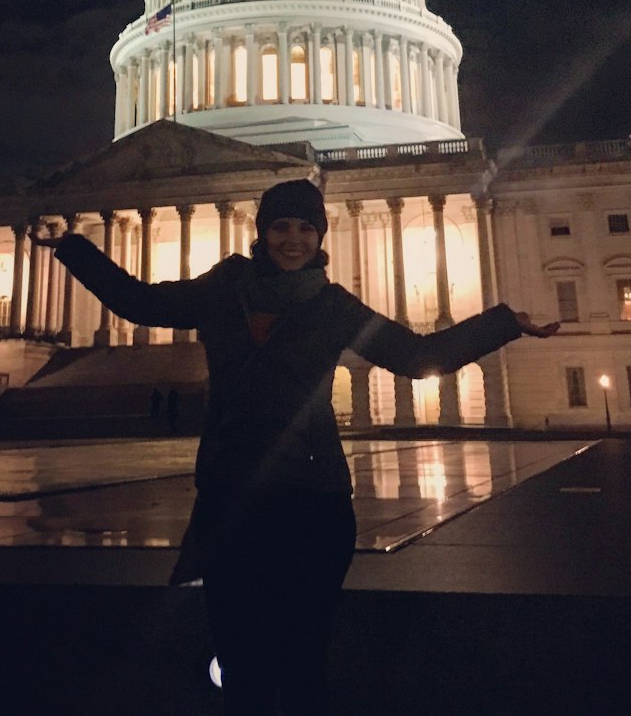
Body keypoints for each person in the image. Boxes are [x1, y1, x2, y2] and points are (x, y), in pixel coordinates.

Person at [30, 178, 558, 715]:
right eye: (281, 226)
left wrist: (503, 324)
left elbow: (419, 356)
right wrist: (73, 249)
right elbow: (139, 302)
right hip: (232, 496)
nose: (293, 239)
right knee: (241, 662)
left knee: (305, 662)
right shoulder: (223, 288)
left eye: (306, 228)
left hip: (312, 500)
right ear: (261, 232)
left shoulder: (334, 307)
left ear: (320, 237)